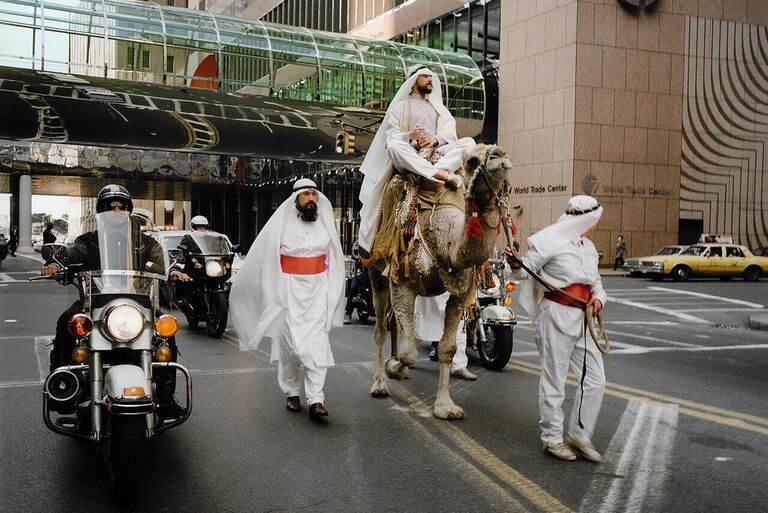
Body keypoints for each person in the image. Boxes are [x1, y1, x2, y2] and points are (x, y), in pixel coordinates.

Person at [41, 184, 188, 418]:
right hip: (94, 303)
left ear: (128, 209)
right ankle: (64, 388)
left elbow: (161, 261)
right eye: (110, 205)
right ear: (102, 211)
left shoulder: (145, 242)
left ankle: (166, 396)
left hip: (138, 304)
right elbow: (71, 253)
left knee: (166, 329)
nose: (116, 209)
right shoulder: (87, 241)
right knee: (66, 322)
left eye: (121, 205)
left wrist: (173, 271)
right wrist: (56, 264)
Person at [230, 178, 345, 420]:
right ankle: (292, 391)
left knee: (316, 344)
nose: (312, 199)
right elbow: (269, 263)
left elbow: (334, 262)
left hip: (318, 292)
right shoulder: (281, 225)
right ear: (296, 199)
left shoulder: (325, 223)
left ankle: (316, 399)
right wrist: (274, 294)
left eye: (315, 195)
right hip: (289, 292)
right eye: (307, 195)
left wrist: (333, 294)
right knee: (290, 346)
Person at [504, 195, 607, 463]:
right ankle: (552, 439)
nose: (595, 224)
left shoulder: (589, 247)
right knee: (554, 379)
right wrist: (515, 264)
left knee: (595, 379)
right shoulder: (549, 240)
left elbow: (595, 282)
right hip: (557, 315)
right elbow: (524, 271)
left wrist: (598, 299)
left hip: (585, 319)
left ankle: (579, 435)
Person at [357, 64, 476, 256]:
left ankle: (437, 170)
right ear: (412, 81)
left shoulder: (438, 108)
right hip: (409, 159)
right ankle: (438, 174)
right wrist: (410, 136)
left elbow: (450, 135)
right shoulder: (399, 107)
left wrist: (435, 139)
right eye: (426, 76)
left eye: (432, 77)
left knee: (469, 142)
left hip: (437, 157)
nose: (431, 80)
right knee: (396, 146)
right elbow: (391, 139)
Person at [415, 293, 477, 380]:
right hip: (432, 291)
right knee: (422, 322)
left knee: (459, 325)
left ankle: (459, 365)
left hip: (454, 290)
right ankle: (410, 356)